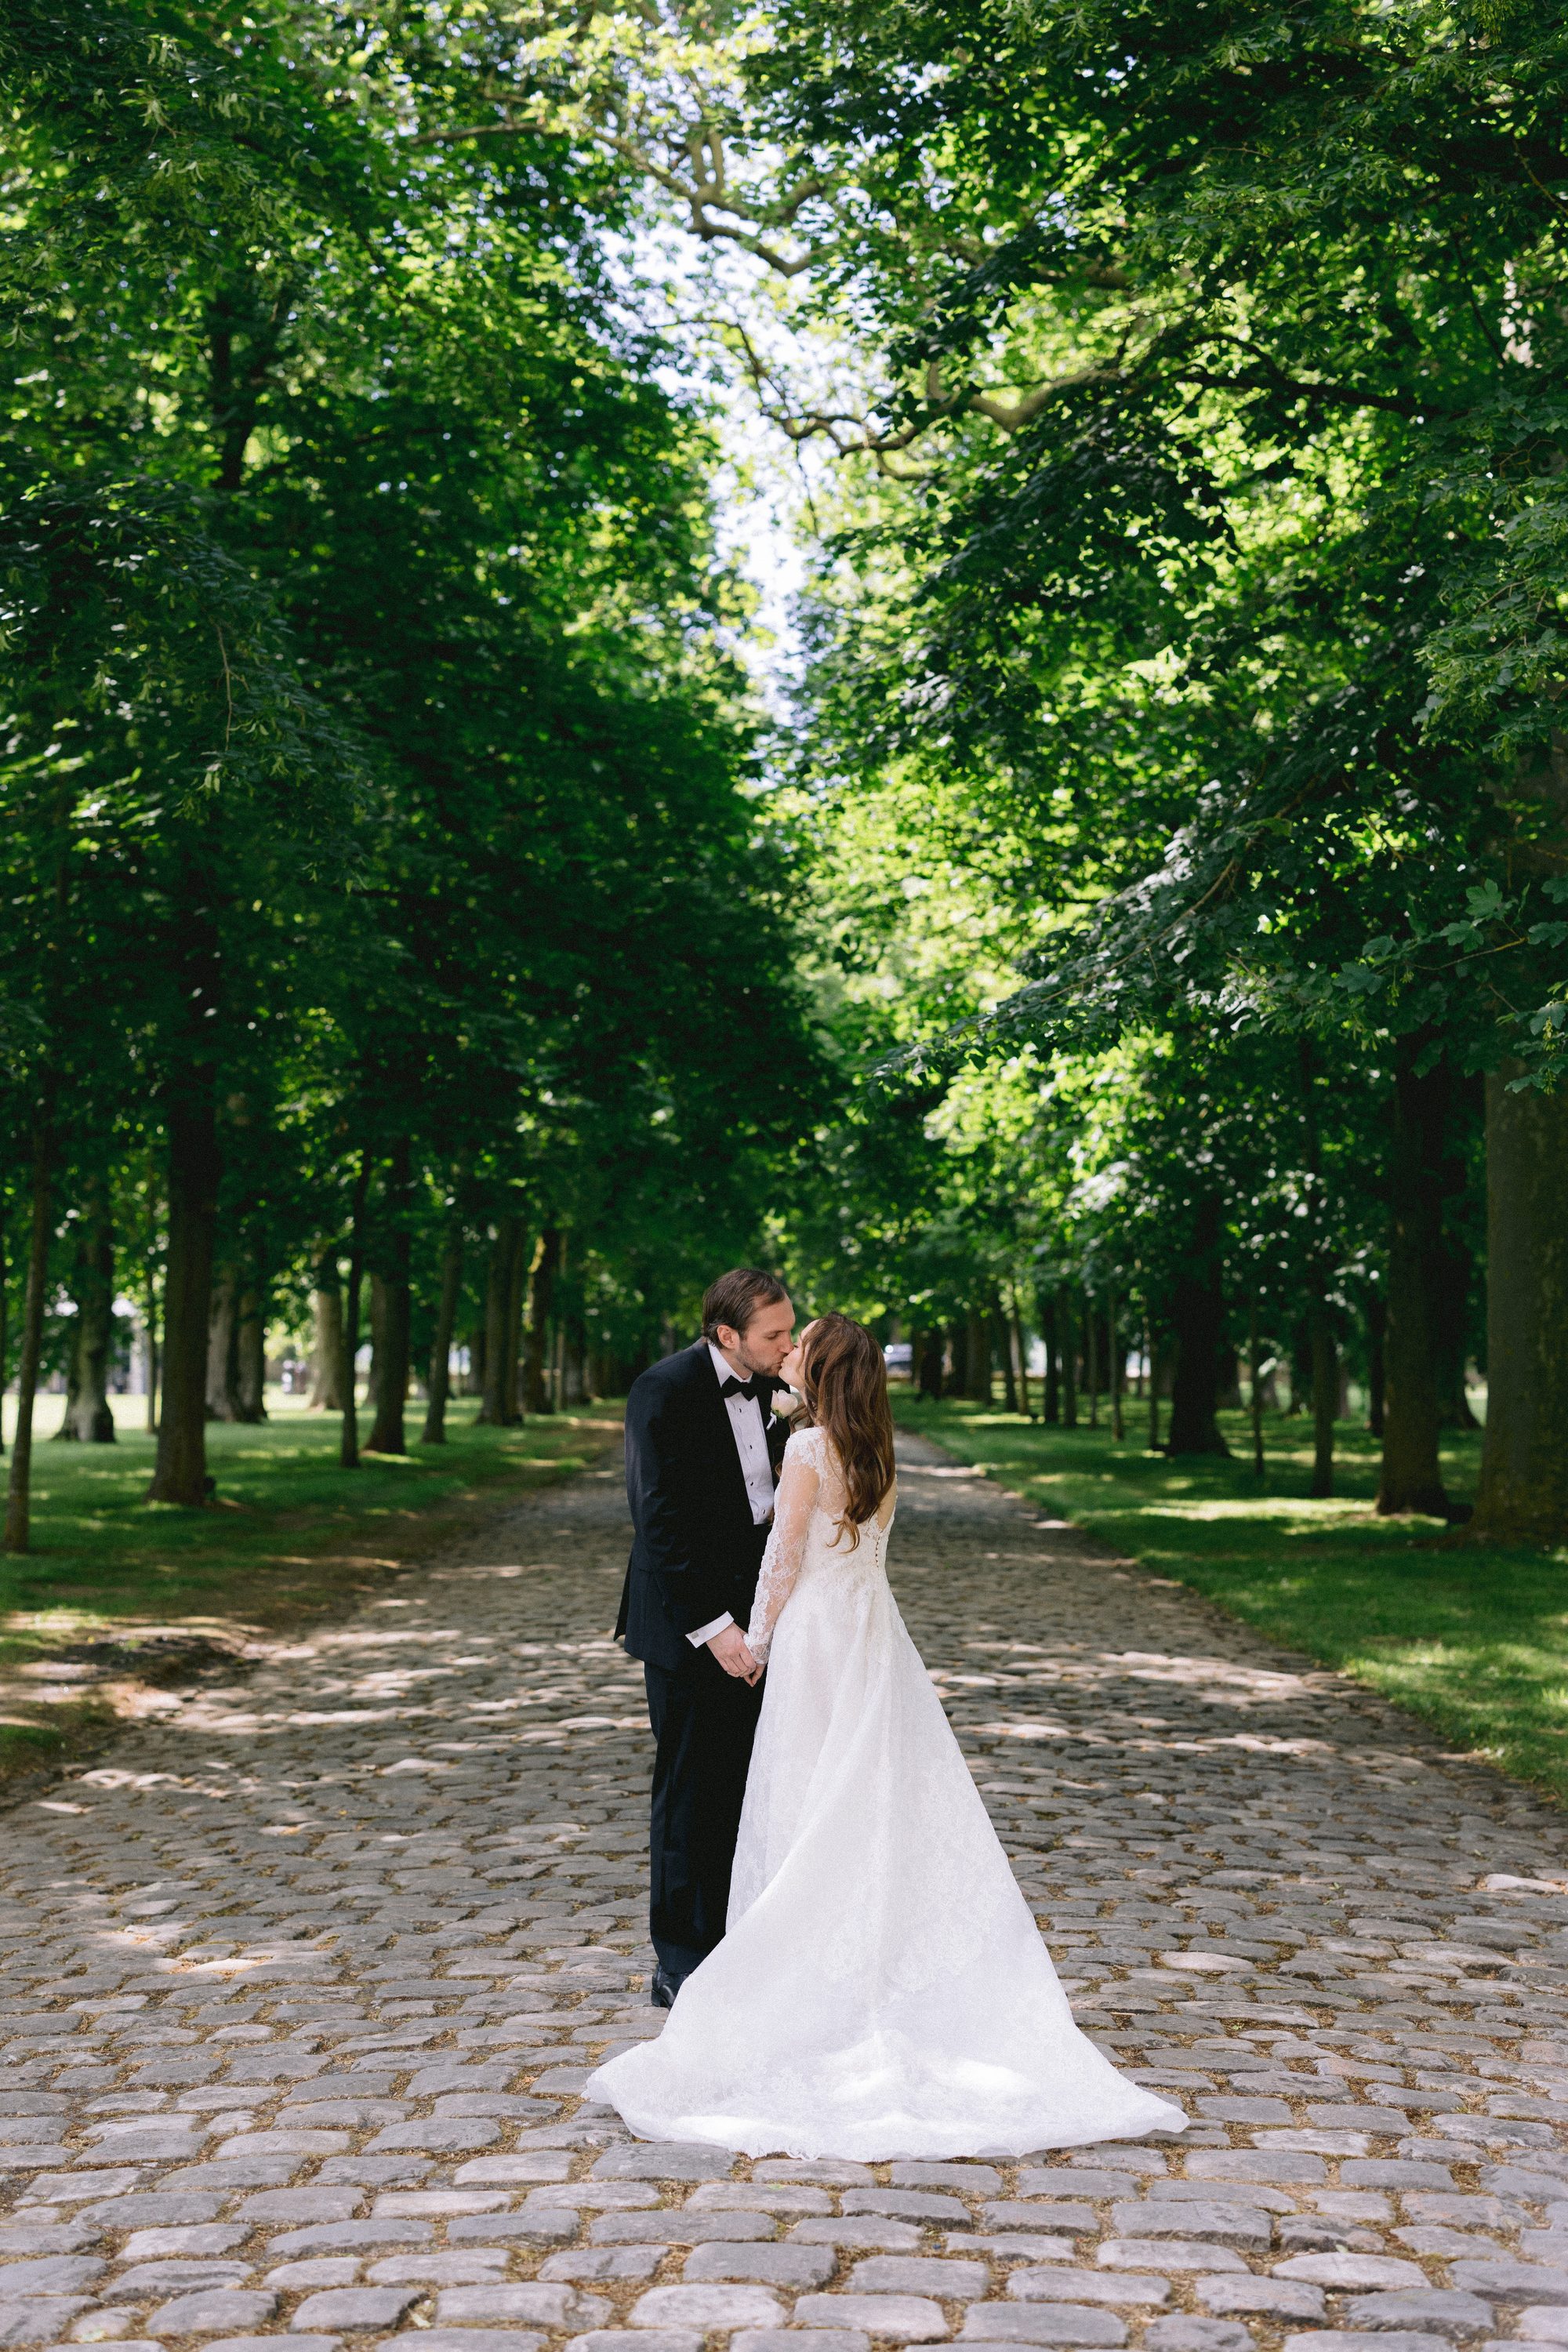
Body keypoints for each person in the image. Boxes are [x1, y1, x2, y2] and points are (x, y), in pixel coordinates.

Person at [591, 1310, 1185, 2160]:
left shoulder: (804, 1450)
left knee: (806, 1792)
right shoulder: (872, 1449)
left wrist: (754, 1642)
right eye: (781, 1339)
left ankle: (799, 1966)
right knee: (873, 1793)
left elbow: (782, 1561)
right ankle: (872, 1948)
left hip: (816, 1641)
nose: (786, 1354)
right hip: (872, 1636)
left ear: (821, 1371)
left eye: (799, 1347)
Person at [617, 1269, 797, 2009]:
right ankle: (683, 1961)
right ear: (728, 1335)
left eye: (790, 1330)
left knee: (752, 1783)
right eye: (774, 1336)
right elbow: (659, 1526)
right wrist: (717, 1631)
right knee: (691, 1791)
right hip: (690, 1626)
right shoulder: (663, 1391)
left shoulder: (781, 1391)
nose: (788, 1347)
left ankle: (747, 1939)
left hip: (767, 1614)